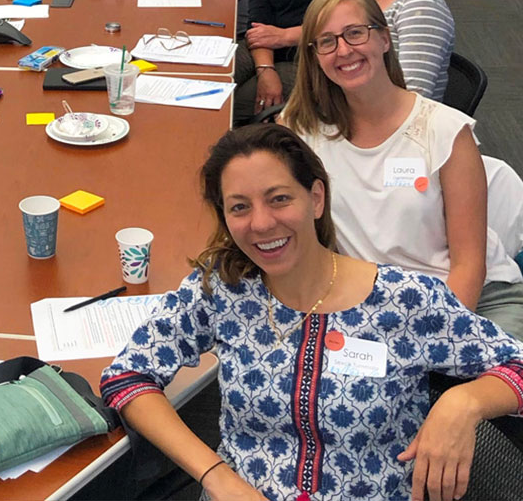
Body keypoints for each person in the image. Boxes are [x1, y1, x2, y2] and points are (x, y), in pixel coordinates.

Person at [100, 123, 523, 501]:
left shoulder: (406, 300)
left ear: (316, 198)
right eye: (239, 207)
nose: (262, 224)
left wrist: (464, 402)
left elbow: (517, 367)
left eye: (279, 199)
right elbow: (127, 376)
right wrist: (215, 475)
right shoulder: (222, 287)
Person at [282, 0, 523, 339]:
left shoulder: (446, 132)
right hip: (373, 305)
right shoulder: (304, 133)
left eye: (355, 33)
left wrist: (426, 345)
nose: (344, 50)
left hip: (468, 301)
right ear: (315, 56)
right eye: (327, 42)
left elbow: (469, 267)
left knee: (482, 394)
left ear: (384, 39)